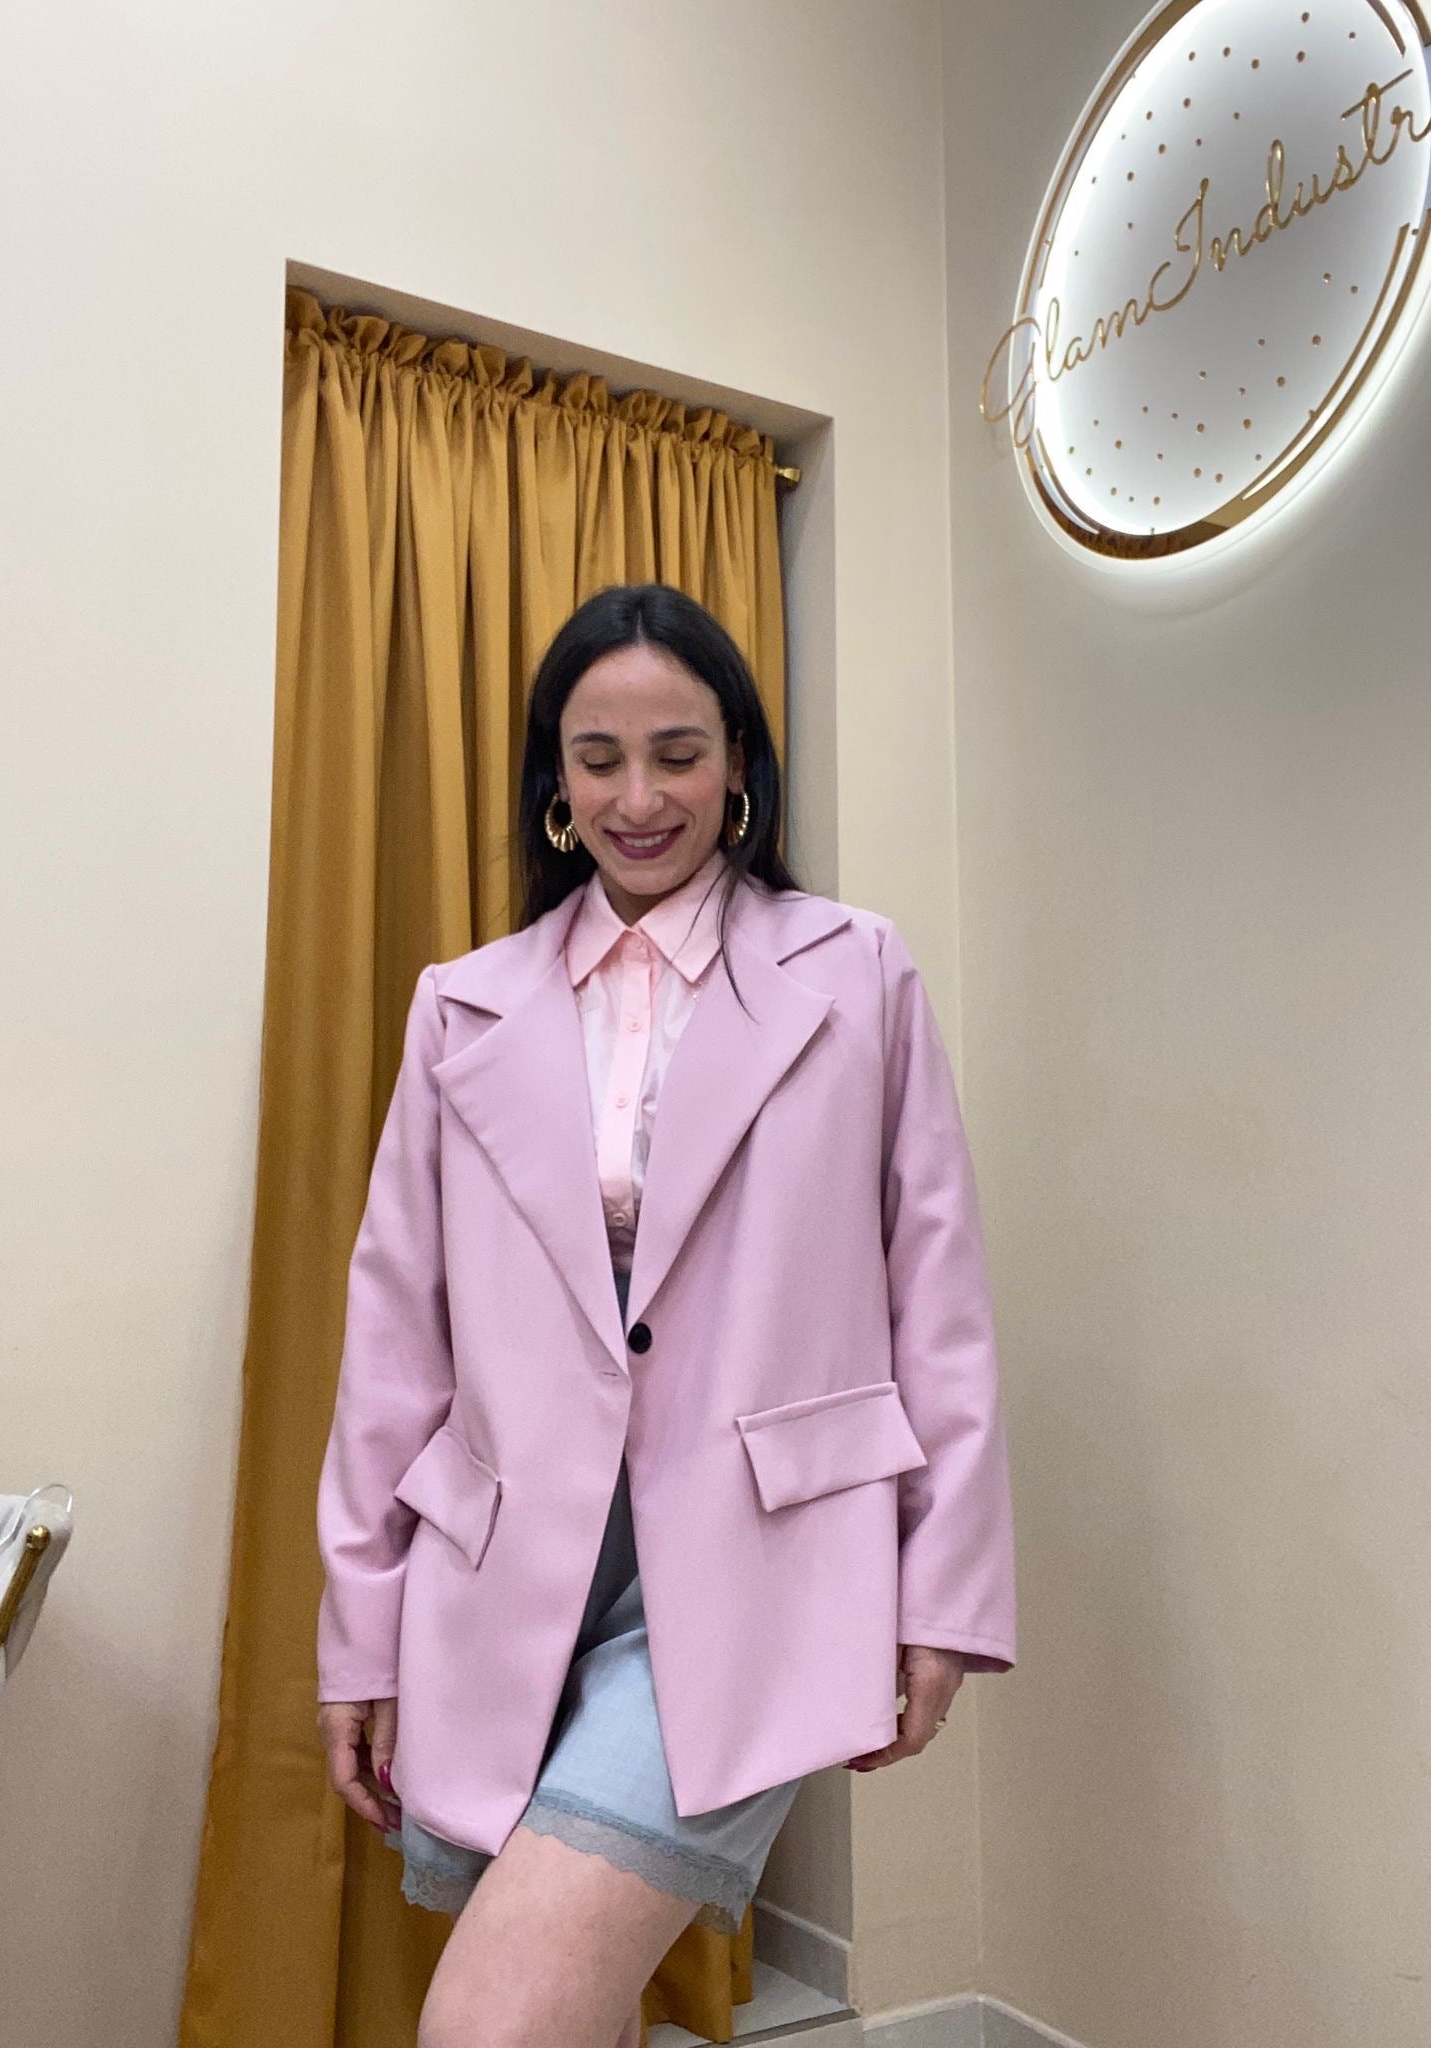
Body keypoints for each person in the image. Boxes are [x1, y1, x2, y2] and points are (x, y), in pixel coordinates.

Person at [315, 584, 1016, 2048]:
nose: (640, 799)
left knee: (494, 2025)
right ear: (556, 781)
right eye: (600, 759)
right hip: (504, 1571)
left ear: (740, 762)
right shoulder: (463, 1006)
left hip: (758, 1558)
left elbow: (936, 1297)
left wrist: (941, 1595)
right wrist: (360, 1637)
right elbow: (394, 1340)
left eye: (679, 754)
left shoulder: (855, 972)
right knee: (587, 2016)